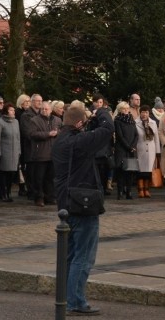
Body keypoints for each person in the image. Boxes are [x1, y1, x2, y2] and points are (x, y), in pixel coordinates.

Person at [53, 104, 112, 316]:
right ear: (79, 123)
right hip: (83, 205)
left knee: (69, 255)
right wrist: (102, 111)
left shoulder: (60, 140)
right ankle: (76, 301)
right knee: (83, 256)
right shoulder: (80, 142)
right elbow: (107, 131)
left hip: (65, 205)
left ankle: (67, 298)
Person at [29, 101, 58, 207]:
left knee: (51, 178)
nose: (44, 111)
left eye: (46, 109)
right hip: (40, 154)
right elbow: (32, 134)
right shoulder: (34, 120)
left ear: (51, 110)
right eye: (42, 109)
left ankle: (50, 197)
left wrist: (57, 133)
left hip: (53, 154)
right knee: (39, 178)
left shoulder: (57, 120)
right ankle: (39, 197)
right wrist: (48, 134)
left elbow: (62, 131)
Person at [0, 102, 21, 202]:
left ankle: (8, 192)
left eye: (13, 110)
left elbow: (18, 138)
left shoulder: (16, 122)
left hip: (14, 153)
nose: (13, 111)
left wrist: (19, 151)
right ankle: (2, 193)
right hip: (4, 152)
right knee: (3, 174)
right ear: (6, 111)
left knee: (11, 174)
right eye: (11, 110)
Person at [112, 101, 138, 200]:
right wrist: (128, 147)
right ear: (120, 110)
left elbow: (136, 135)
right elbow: (120, 136)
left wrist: (133, 146)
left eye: (127, 108)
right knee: (121, 171)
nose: (126, 110)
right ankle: (120, 192)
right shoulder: (117, 121)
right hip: (122, 149)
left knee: (130, 171)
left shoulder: (132, 120)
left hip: (131, 149)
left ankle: (129, 192)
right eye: (124, 109)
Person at [135, 104, 161, 198]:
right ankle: (140, 190)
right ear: (140, 113)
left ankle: (147, 189)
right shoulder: (135, 123)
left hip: (151, 149)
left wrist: (158, 151)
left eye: (146, 112)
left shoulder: (153, 123)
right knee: (140, 171)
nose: (144, 114)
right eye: (142, 112)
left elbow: (156, 138)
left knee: (148, 171)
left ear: (149, 113)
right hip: (140, 148)